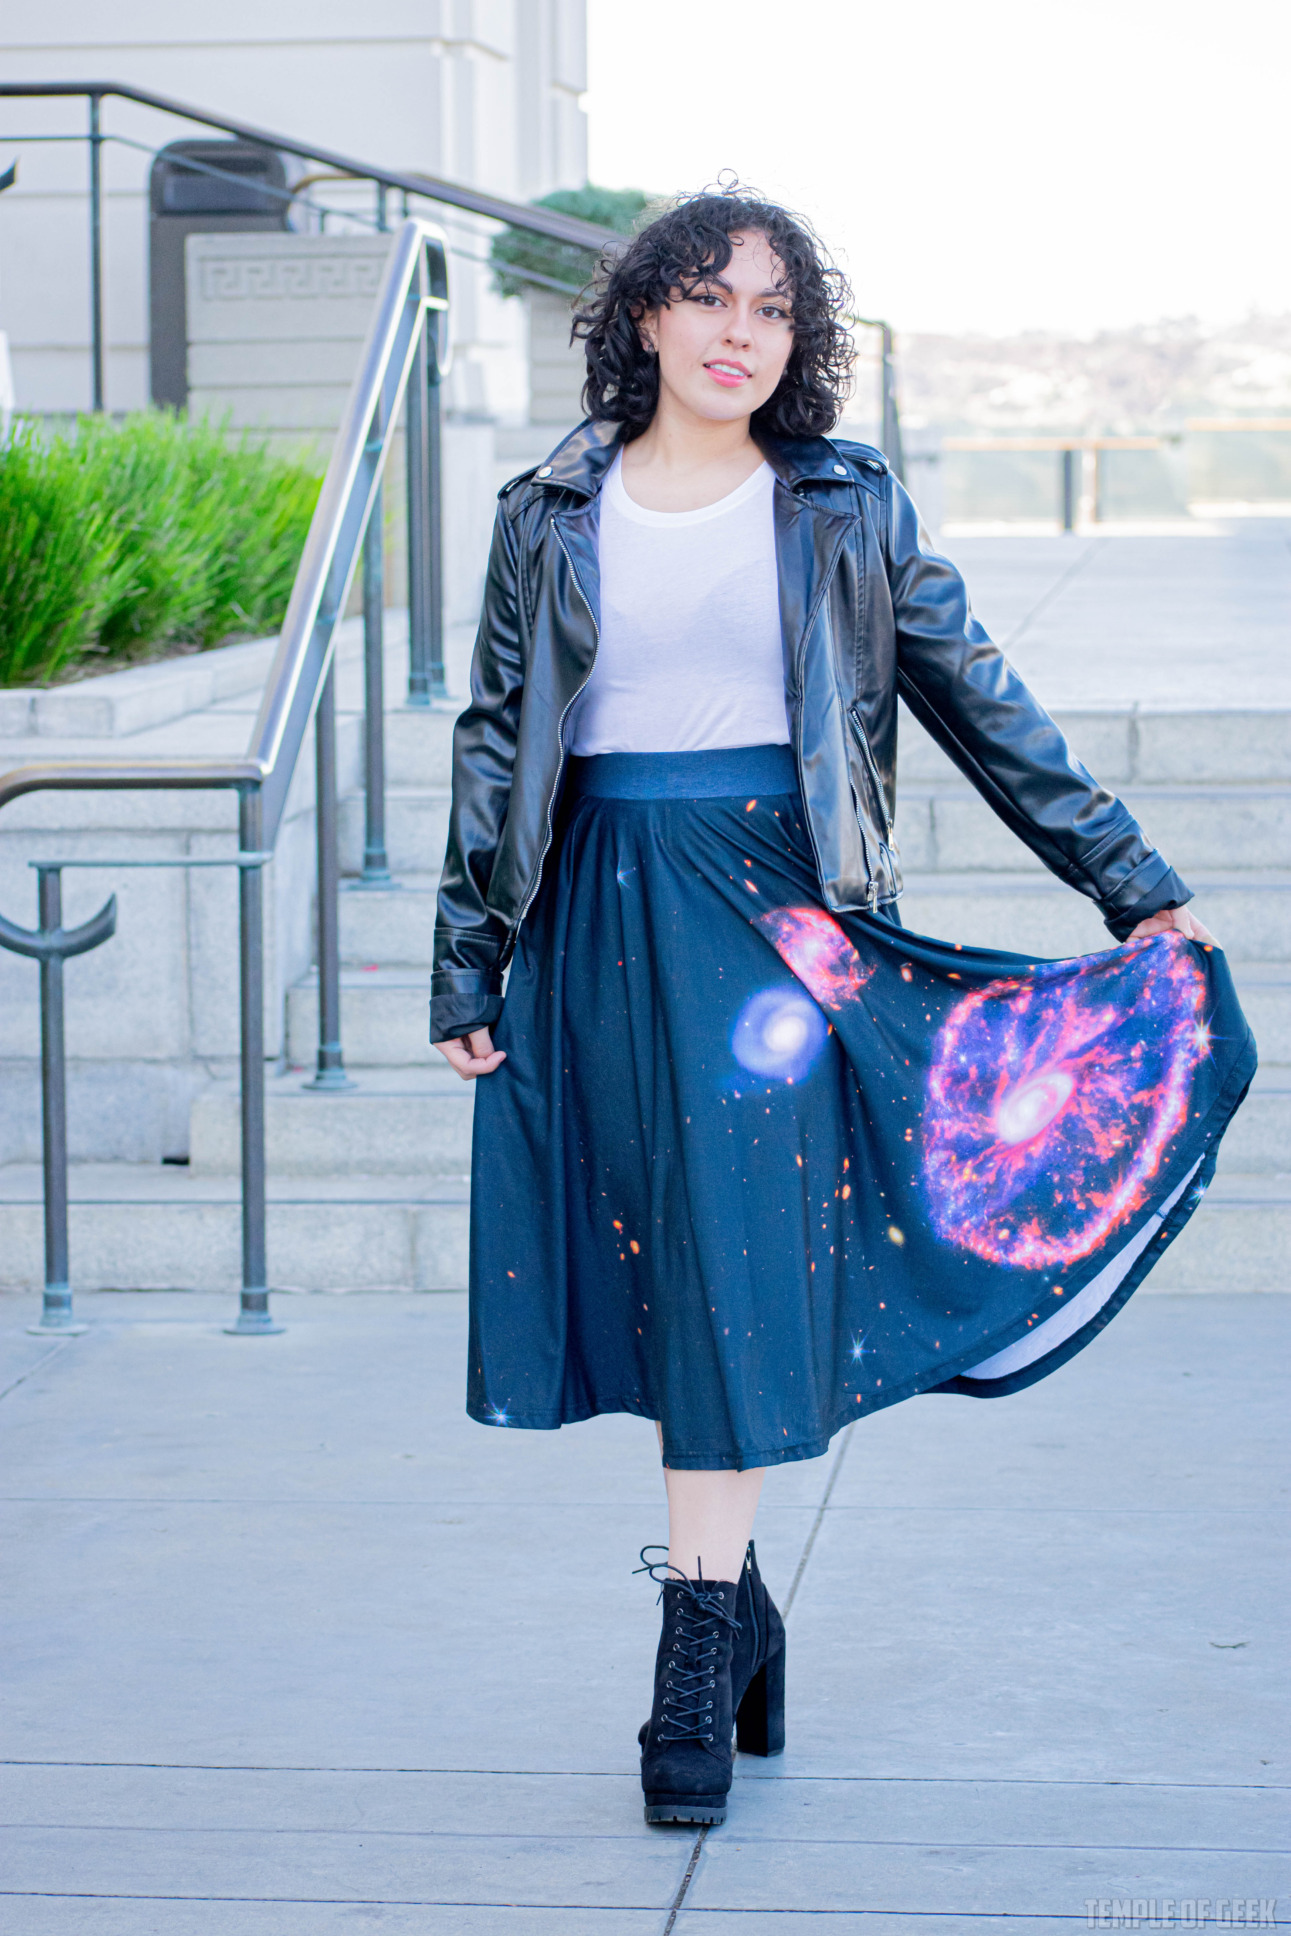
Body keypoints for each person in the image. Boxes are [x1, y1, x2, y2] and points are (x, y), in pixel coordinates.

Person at [431, 188, 1255, 1828]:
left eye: (774, 312)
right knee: (661, 1274)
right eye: (709, 299)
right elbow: (497, 728)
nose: (741, 333)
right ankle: (743, 1618)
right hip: (597, 910)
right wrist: (473, 951)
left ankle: (688, 1648)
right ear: (646, 318)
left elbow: (979, 697)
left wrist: (1130, 880)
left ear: (800, 346)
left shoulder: (839, 503)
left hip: (771, 929)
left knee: (733, 1275)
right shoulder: (547, 507)